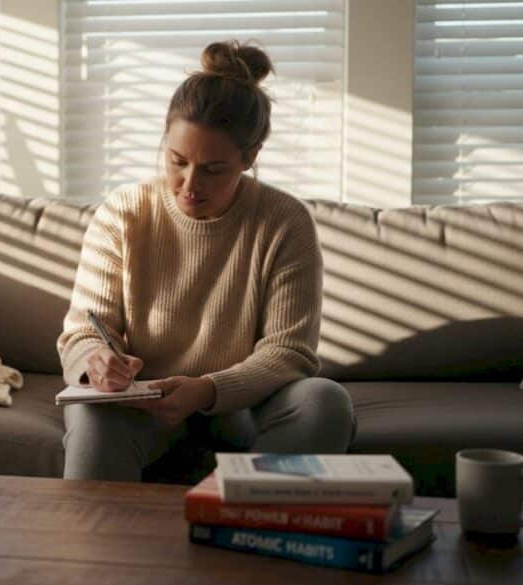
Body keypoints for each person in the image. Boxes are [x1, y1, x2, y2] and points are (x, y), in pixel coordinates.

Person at [56, 40, 356, 482]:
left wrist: (209, 390)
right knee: (88, 418)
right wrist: (97, 360)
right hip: (142, 407)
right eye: (177, 161)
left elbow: (290, 351)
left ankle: (231, 517)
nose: (189, 185)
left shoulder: (285, 221)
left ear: (249, 158)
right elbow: (84, 330)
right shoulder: (124, 211)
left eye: (213, 169)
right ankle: (96, 548)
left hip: (244, 408)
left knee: (324, 401)